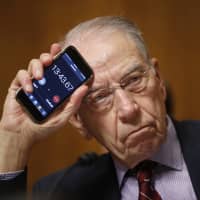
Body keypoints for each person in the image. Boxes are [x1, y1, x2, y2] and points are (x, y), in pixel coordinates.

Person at [0, 16, 200, 200]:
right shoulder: (59, 192)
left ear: (158, 80)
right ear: (79, 121)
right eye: (100, 97)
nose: (128, 109)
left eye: (134, 80)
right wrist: (13, 140)